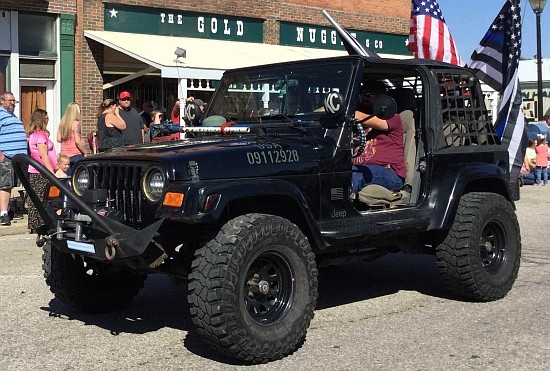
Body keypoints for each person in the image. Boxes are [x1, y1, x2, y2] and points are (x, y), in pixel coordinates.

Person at [351, 79, 406, 193]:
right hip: (361, 169)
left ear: (382, 98)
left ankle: (342, 208)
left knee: (355, 174)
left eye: (368, 94)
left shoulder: (393, 117)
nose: (364, 98)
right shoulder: (361, 126)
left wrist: (343, 109)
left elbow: (359, 117)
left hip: (390, 174)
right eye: (361, 94)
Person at [0, 92, 28, 226]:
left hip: (18, 158)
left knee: (12, 185)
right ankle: (3, 214)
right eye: (10, 100)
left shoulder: (12, 115)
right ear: (2, 101)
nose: (12, 103)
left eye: (14, 101)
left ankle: (11, 208)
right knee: (5, 185)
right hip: (6, 156)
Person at [27, 109, 57, 233]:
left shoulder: (34, 135)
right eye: (46, 117)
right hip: (41, 172)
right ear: (41, 119)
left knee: (38, 197)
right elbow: (43, 155)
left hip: (37, 171)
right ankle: (40, 225)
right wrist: (52, 173)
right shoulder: (40, 135)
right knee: (41, 199)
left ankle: (38, 225)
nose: (48, 119)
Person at [56, 102, 85, 174]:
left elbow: (58, 139)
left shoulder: (62, 123)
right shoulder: (76, 124)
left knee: (67, 179)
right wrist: (85, 152)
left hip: (65, 156)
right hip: (76, 155)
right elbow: (77, 141)